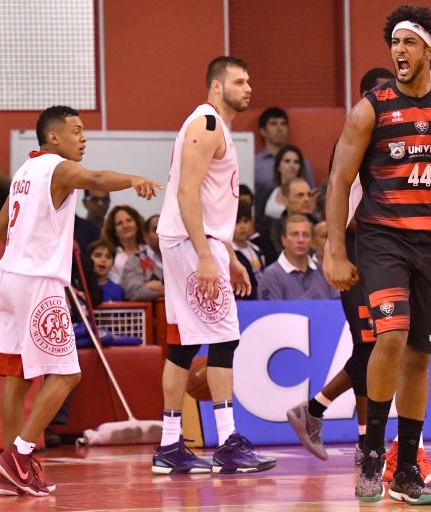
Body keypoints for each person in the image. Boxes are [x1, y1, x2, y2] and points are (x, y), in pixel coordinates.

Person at [324, 6, 431, 504]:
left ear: (430, 51)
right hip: (382, 239)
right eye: (394, 42)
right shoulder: (371, 109)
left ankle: (405, 469)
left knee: (420, 354)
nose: (398, 51)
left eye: (408, 43)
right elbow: (338, 181)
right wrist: (335, 251)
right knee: (392, 336)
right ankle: (372, 454)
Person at [0, 105, 159, 497]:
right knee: (67, 374)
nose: (84, 138)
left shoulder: (24, 171)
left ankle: (12, 470)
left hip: (8, 277)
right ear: (53, 137)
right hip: (38, 283)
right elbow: (95, 178)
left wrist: (27, 245)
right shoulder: (58, 168)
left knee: (17, 375)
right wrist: (133, 179)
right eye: (76, 130)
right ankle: (20, 455)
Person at [153, 56, 274, 475]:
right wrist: (206, 255)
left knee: (184, 344)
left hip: (197, 242)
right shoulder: (206, 124)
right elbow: (186, 193)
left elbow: (208, 201)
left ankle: (170, 446)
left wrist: (229, 254)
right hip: (191, 243)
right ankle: (227, 443)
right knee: (225, 339)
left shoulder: (215, 126)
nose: (248, 88)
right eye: (239, 82)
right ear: (217, 87)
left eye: (249, 81)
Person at [285, 67, 393, 470]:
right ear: (364, 97)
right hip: (356, 252)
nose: (386, 100)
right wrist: (336, 250)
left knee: (373, 346)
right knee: (371, 345)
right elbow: (339, 196)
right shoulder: (354, 137)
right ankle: (340, 426)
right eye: (379, 93)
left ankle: (325, 417)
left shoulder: (390, 139)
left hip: (381, 252)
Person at [257, 214, 338, 300]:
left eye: (305, 235)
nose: (301, 240)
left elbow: (336, 305)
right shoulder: (271, 276)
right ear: (283, 239)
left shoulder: (325, 272)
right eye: (295, 234)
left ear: (311, 240)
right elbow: (271, 308)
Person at [254, 107, 316, 201]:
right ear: (263, 131)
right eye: (273, 124)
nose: (279, 128)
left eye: (283, 124)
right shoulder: (255, 164)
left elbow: (311, 193)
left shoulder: (301, 162)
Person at [258, 144, 308, 225]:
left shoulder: (307, 194)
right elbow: (258, 221)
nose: (292, 166)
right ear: (278, 166)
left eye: (296, 162)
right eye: (287, 161)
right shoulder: (266, 194)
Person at [122, 214, 165, 301]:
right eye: (156, 229)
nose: (162, 233)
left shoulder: (179, 258)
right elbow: (134, 293)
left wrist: (148, 287)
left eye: (165, 229)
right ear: (146, 236)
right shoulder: (135, 260)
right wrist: (171, 290)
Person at [101, 205, 147, 283]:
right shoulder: (111, 257)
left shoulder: (150, 250)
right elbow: (118, 284)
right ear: (114, 231)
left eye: (129, 220)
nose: (125, 226)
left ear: (137, 224)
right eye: (119, 223)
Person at [232, 201, 265, 300]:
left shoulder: (257, 250)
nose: (242, 226)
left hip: (260, 299)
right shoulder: (227, 253)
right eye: (237, 222)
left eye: (245, 221)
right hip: (240, 301)